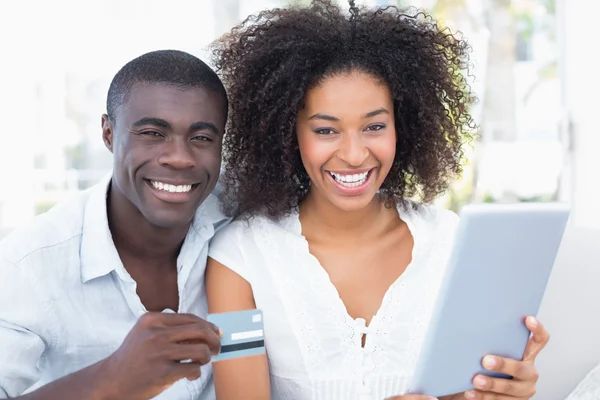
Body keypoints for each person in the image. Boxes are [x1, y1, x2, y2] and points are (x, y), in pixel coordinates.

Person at [205, 1, 549, 399]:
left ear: (403, 125)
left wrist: (506, 389)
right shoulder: (239, 260)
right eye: (326, 130)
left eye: (374, 126)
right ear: (287, 132)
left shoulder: (453, 244)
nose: (354, 154)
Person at [0, 50, 229, 400]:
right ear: (108, 133)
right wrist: (112, 379)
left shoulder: (240, 221)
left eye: (201, 138)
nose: (180, 157)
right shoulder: (27, 266)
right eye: (153, 133)